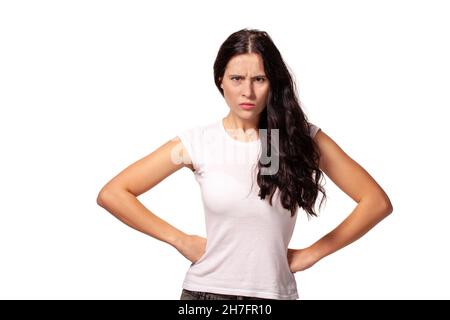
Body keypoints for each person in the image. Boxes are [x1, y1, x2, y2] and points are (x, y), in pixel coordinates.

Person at [96, 28, 393, 300]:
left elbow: (375, 201)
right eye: (237, 78)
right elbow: (114, 193)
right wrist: (180, 239)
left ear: (272, 83)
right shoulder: (198, 142)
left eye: (259, 79)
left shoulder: (292, 139)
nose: (247, 92)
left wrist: (312, 254)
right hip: (206, 294)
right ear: (220, 81)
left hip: (274, 295)